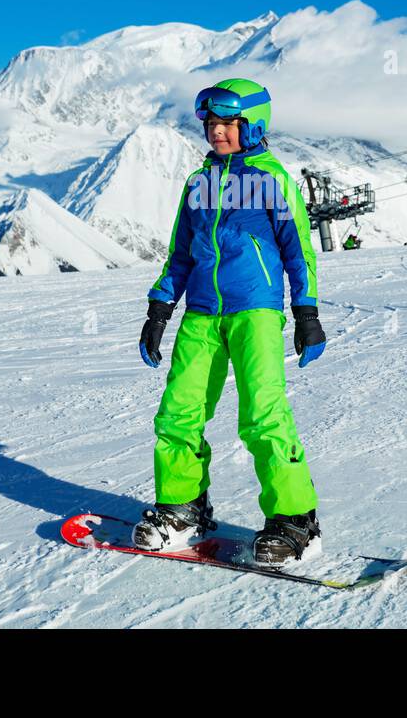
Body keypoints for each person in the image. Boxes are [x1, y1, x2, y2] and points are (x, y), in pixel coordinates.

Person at [136, 78, 327, 566]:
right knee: (178, 414)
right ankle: (182, 510)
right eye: (212, 123)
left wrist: (306, 312)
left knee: (263, 416)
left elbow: (298, 250)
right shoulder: (198, 183)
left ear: (253, 125)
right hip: (201, 313)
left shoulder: (271, 178)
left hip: (254, 310)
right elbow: (181, 251)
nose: (217, 132)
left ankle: (294, 520)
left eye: (228, 123)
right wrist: (160, 308)